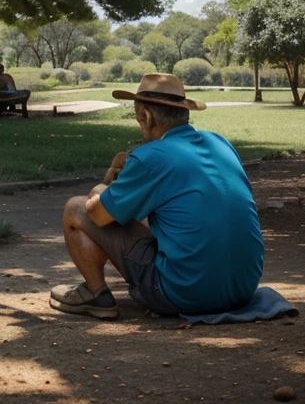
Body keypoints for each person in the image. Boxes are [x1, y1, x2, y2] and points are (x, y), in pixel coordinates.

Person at [50, 72, 264, 320]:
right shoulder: (221, 143)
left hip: (183, 294)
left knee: (76, 208)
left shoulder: (150, 155)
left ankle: (96, 294)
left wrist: (104, 185)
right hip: (243, 290)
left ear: (147, 116)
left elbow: (98, 215)